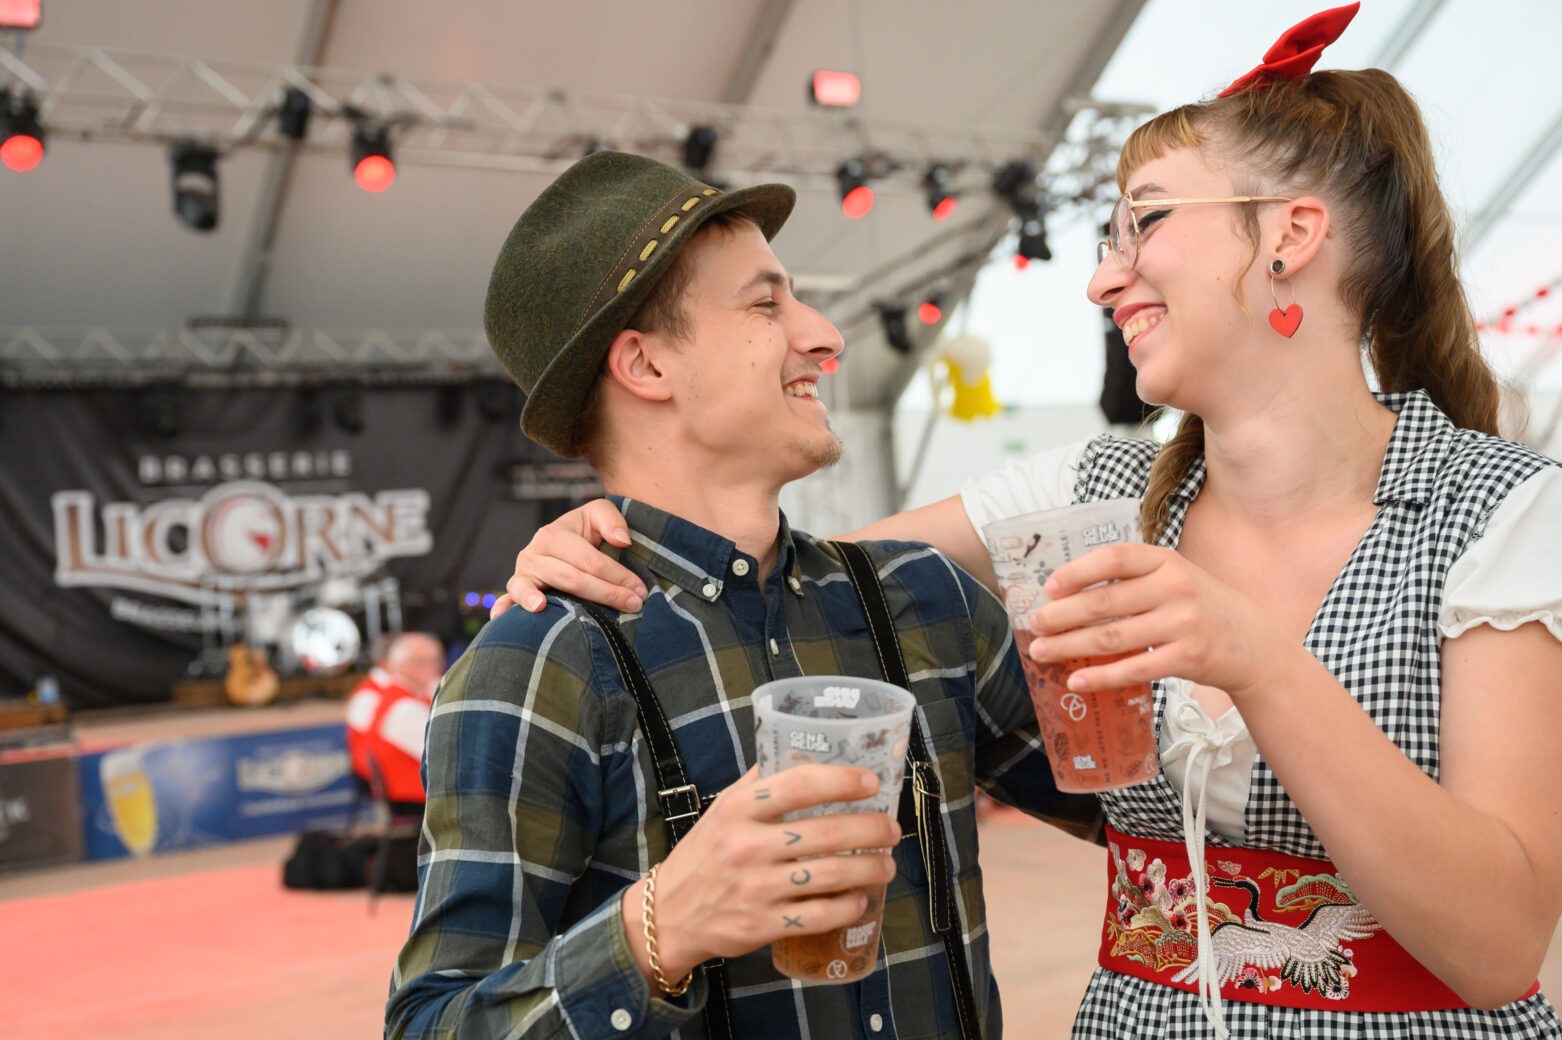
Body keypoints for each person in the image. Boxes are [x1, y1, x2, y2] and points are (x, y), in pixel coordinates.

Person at [495, 6, 1562, 1037]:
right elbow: (797, 576)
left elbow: (1496, 946)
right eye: (1105, 236)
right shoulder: (1096, 495)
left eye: (1144, 221)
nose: (1101, 277)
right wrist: (617, 538)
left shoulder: (1495, 509)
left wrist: (1258, 661)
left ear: (1290, 232)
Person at [385, 150, 1099, 1040]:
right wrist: (659, 929)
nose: (826, 337)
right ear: (646, 366)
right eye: (767, 305)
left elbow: (1152, 812)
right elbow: (433, 1022)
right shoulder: (536, 665)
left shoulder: (923, 599)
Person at [344, 631, 446, 813]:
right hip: (413, 793)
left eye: (435, 660)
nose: (432, 668)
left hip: (415, 787)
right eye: (421, 662)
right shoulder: (400, 705)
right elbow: (444, 752)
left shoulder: (408, 694)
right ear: (394, 664)